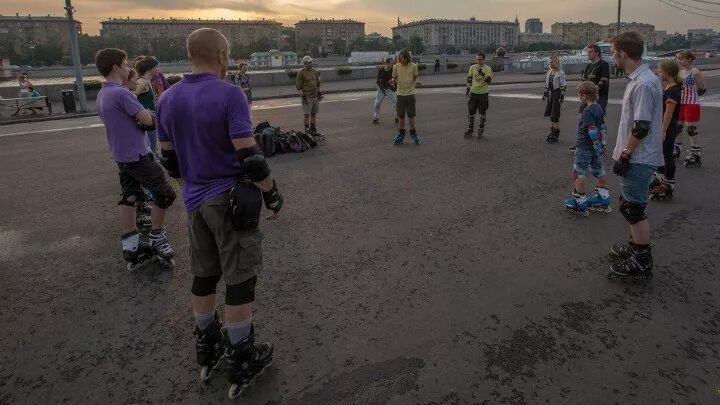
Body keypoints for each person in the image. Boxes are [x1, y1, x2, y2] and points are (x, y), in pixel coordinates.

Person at [156, 28, 281, 399]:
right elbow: (250, 157)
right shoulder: (230, 94)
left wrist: (188, 184)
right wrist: (272, 195)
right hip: (229, 200)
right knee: (239, 280)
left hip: (194, 202)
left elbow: (168, 159)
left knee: (205, 275)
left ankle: (206, 346)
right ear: (223, 55)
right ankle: (243, 357)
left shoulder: (166, 98)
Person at [94, 48, 176, 270]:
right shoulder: (121, 94)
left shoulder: (103, 94)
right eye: (125, 62)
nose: (129, 66)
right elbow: (147, 121)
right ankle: (157, 237)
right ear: (115, 67)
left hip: (121, 155)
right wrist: (148, 116)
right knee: (165, 194)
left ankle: (131, 245)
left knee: (130, 197)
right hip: (137, 155)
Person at [607, 31, 664, 281]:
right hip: (637, 155)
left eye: (613, 51)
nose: (612, 56)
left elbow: (641, 126)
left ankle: (641, 261)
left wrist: (625, 155)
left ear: (623, 53)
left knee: (633, 209)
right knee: (629, 204)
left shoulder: (643, 83)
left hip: (638, 157)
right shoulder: (642, 78)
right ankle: (634, 249)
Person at [563, 81, 611, 215]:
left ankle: (580, 201)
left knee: (578, 172)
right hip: (596, 148)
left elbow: (592, 130)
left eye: (579, 95)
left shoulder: (588, 111)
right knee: (598, 170)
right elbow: (603, 127)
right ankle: (603, 197)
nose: (579, 98)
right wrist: (603, 144)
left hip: (584, 146)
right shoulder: (599, 108)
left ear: (584, 96)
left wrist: (596, 145)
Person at [648, 60, 683, 200]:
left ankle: (668, 184)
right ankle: (661, 177)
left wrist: (663, 130)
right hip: (667, 125)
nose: (658, 73)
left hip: (668, 126)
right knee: (662, 153)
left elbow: (668, 113)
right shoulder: (670, 88)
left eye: (660, 71)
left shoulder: (673, 90)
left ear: (667, 73)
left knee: (667, 154)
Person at [570, 44, 610, 152]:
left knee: (598, 120)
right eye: (588, 51)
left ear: (597, 53)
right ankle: (580, 143)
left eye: (591, 52)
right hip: (586, 98)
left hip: (599, 97)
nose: (588, 53)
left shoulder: (604, 64)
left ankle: (600, 144)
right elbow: (583, 81)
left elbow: (603, 81)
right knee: (582, 120)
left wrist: (593, 90)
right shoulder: (588, 66)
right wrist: (581, 91)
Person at [674, 51, 707, 168]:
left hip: (691, 104)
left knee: (691, 128)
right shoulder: (679, 72)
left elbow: (702, 89)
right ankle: (677, 148)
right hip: (680, 103)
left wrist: (692, 96)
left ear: (689, 59)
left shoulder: (695, 72)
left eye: (681, 59)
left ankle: (695, 153)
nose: (679, 61)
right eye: (678, 59)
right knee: (678, 127)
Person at [392, 49, 420, 145]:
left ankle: (413, 133)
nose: (402, 60)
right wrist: (392, 81)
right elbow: (394, 78)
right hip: (400, 94)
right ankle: (401, 134)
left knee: (411, 115)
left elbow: (415, 77)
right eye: (400, 58)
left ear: (407, 57)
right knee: (400, 116)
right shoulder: (396, 67)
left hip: (410, 94)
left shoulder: (414, 66)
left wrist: (413, 83)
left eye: (403, 58)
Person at [134, 56, 160, 156]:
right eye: (157, 67)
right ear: (151, 69)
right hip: (146, 122)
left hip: (149, 120)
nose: (159, 69)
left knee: (152, 150)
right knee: (150, 152)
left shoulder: (146, 81)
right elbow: (129, 96)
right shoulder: (142, 82)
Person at [464, 52, 492, 139]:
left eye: (480, 59)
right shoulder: (472, 67)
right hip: (474, 92)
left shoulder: (488, 68)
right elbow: (469, 78)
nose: (478, 61)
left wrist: (481, 72)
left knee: (482, 112)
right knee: (471, 111)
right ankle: (470, 128)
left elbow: (488, 81)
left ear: (484, 59)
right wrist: (468, 89)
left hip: (483, 93)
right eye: (477, 59)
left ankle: (481, 127)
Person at [296, 55, 322, 136]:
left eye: (311, 62)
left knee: (313, 114)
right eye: (309, 62)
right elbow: (299, 87)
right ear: (305, 63)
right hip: (307, 97)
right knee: (307, 115)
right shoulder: (301, 73)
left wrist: (319, 93)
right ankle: (307, 131)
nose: (311, 63)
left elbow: (318, 83)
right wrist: (302, 96)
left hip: (315, 97)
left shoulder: (314, 71)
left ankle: (313, 130)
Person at [543, 55, 566, 143]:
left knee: (555, 114)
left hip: (557, 93)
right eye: (550, 62)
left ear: (556, 62)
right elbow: (547, 83)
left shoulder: (561, 72)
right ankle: (553, 131)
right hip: (550, 94)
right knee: (551, 114)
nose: (550, 63)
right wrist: (545, 93)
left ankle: (556, 133)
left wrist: (562, 95)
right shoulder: (549, 72)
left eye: (552, 61)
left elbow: (563, 84)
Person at [372, 57, 398, 125]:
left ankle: (396, 118)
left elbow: (394, 79)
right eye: (391, 63)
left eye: (393, 63)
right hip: (381, 89)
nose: (392, 64)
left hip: (389, 88)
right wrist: (382, 90)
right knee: (377, 103)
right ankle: (375, 118)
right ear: (387, 63)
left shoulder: (393, 70)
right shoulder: (381, 70)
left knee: (395, 102)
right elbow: (378, 81)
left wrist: (396, 88)